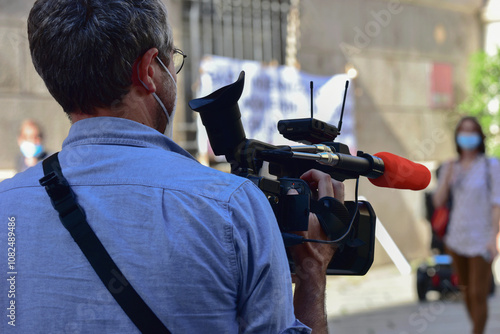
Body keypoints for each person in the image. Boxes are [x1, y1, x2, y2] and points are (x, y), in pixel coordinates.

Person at [0, 0, 344, 333]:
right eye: (172, 62)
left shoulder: (6, 205)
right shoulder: (232, 208)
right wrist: (312, 272)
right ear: (150, 71)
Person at [433, 116, 500, 334]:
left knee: (478, 293)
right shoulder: (451, 166)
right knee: (466, 291)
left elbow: (496, 204)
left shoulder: (491, 166)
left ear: (480, 136)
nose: (467, 135)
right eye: (463, 131)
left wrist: (494, 238)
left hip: (482, 238)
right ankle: (476, 329)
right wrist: (447, 176)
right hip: (456, 237)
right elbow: (438, 201)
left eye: (472, 131)